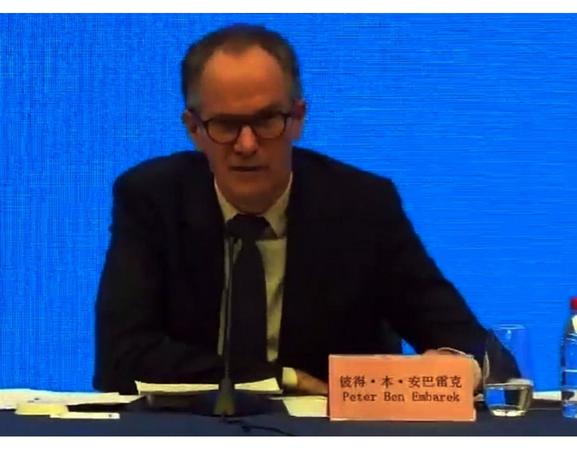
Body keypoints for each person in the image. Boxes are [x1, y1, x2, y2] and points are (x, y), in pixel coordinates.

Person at [93, 23, 488, 395]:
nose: (246, 145)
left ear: (298, 118)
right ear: (193, 129)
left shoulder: (363, 206)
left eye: (267, 120)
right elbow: (119, 359)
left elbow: (468, 344)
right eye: (226, 125)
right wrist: (283, 379)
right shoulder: (152, 199)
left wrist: (459, 367)